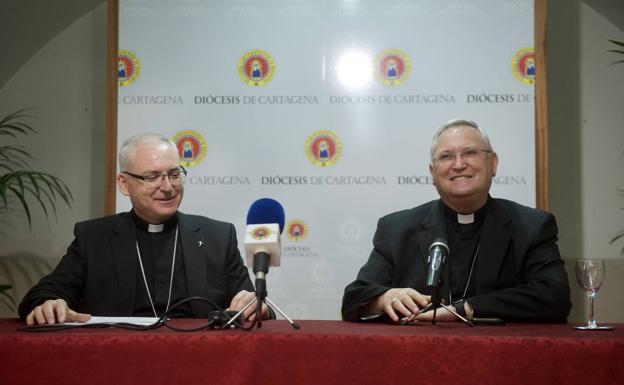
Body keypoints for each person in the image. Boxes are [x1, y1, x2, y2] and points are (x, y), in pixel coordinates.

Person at [19, 133, 268, 325]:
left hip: (200, 357)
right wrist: (48, 304)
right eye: (153, 177)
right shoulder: (94, 238)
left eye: (174, 174)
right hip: (117, 361)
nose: (168, 186)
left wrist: (255, 305)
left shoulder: (218, 236)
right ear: (124, 184)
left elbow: (254, 306)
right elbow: (44, 293)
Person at [342, 119, 571, 323]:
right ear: (432, 172)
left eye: (470, 152)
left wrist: (466, 309)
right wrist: (383, 298)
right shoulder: (396, 229)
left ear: (493, 163)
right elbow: (354, 298)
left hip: (501, 360)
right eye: (446, 156)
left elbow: (554, 296)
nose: (459, 164)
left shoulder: (531, 226)